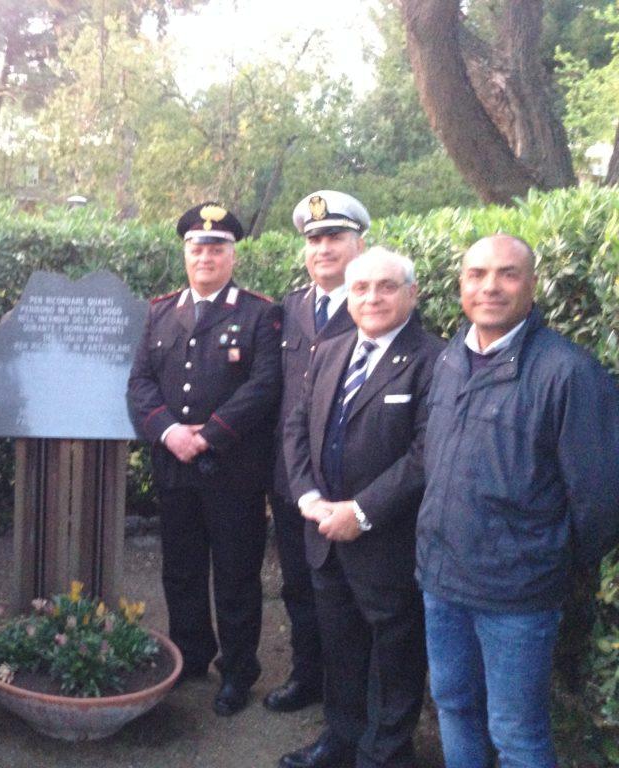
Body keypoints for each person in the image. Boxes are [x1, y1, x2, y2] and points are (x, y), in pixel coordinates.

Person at [417, 234, 619, 768]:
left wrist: (541, 560)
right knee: (454, 704)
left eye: (507, 274)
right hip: (441, 582)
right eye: (477, 274)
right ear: (460, 285)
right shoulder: (450, 359)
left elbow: (600, 502)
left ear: (532, 284)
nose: (490, 286)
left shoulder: (568, 372)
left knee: (516, 733)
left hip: (517, 596)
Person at [280, 248, 445, 768]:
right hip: (325, 534)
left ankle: (387, 752)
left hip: (387, 540)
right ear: (348, 297)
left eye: (386, 287)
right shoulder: (331, 351)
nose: (372, 298)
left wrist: (361, 511)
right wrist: (308, 498)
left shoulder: (435, 360)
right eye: (360, 288)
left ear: (412, 293)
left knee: (395, 658)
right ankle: (341, 740)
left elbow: (426, 453)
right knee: (341, 648)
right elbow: (297, 427)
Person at [127, 202, 283, 716]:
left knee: (236, 575)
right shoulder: (159, 311)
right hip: (174, 465)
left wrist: (210, 435)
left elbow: (265, 385)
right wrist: (170, 432)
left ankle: (237, 671)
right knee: (181, 569)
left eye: (216, 248)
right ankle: (190, 655)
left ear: (232, 255)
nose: (205, 256)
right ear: (185, 253)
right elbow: (141, 383)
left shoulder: (259, 313)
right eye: (197, 247)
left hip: (233, 470)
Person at [264, 190, 368, 714]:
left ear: (359, 244)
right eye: (315, 239)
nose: (323, 248)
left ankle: (348, 696)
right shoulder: (292, 307)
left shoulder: (372, 303)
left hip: (348, 488)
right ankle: (307, 676)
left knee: (348, 596)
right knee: (298, 587)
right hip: (293, 480)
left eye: (335, 237)